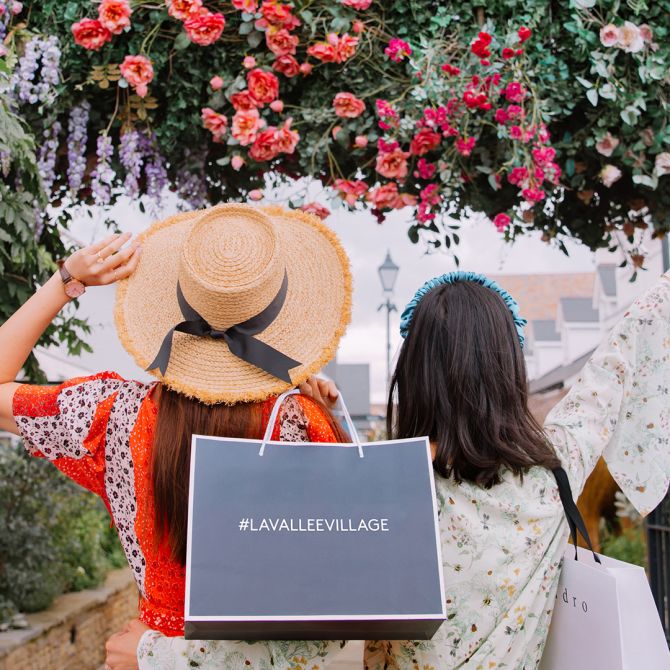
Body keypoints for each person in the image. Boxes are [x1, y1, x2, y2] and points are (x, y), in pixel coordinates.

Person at [109, 268, 670, 670]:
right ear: (508, 366)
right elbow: (621, 359)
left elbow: (303, 645)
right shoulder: (557, 468)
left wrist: (154, 653)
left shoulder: (394, 496)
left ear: (417, 374)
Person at [0, 203, 360, 669]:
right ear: (280, 313)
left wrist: (66, 280)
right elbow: (346, 572)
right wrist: (332, 419)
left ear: (176, 299)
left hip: (147, 652)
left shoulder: (114, 415)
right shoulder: (303, 425)